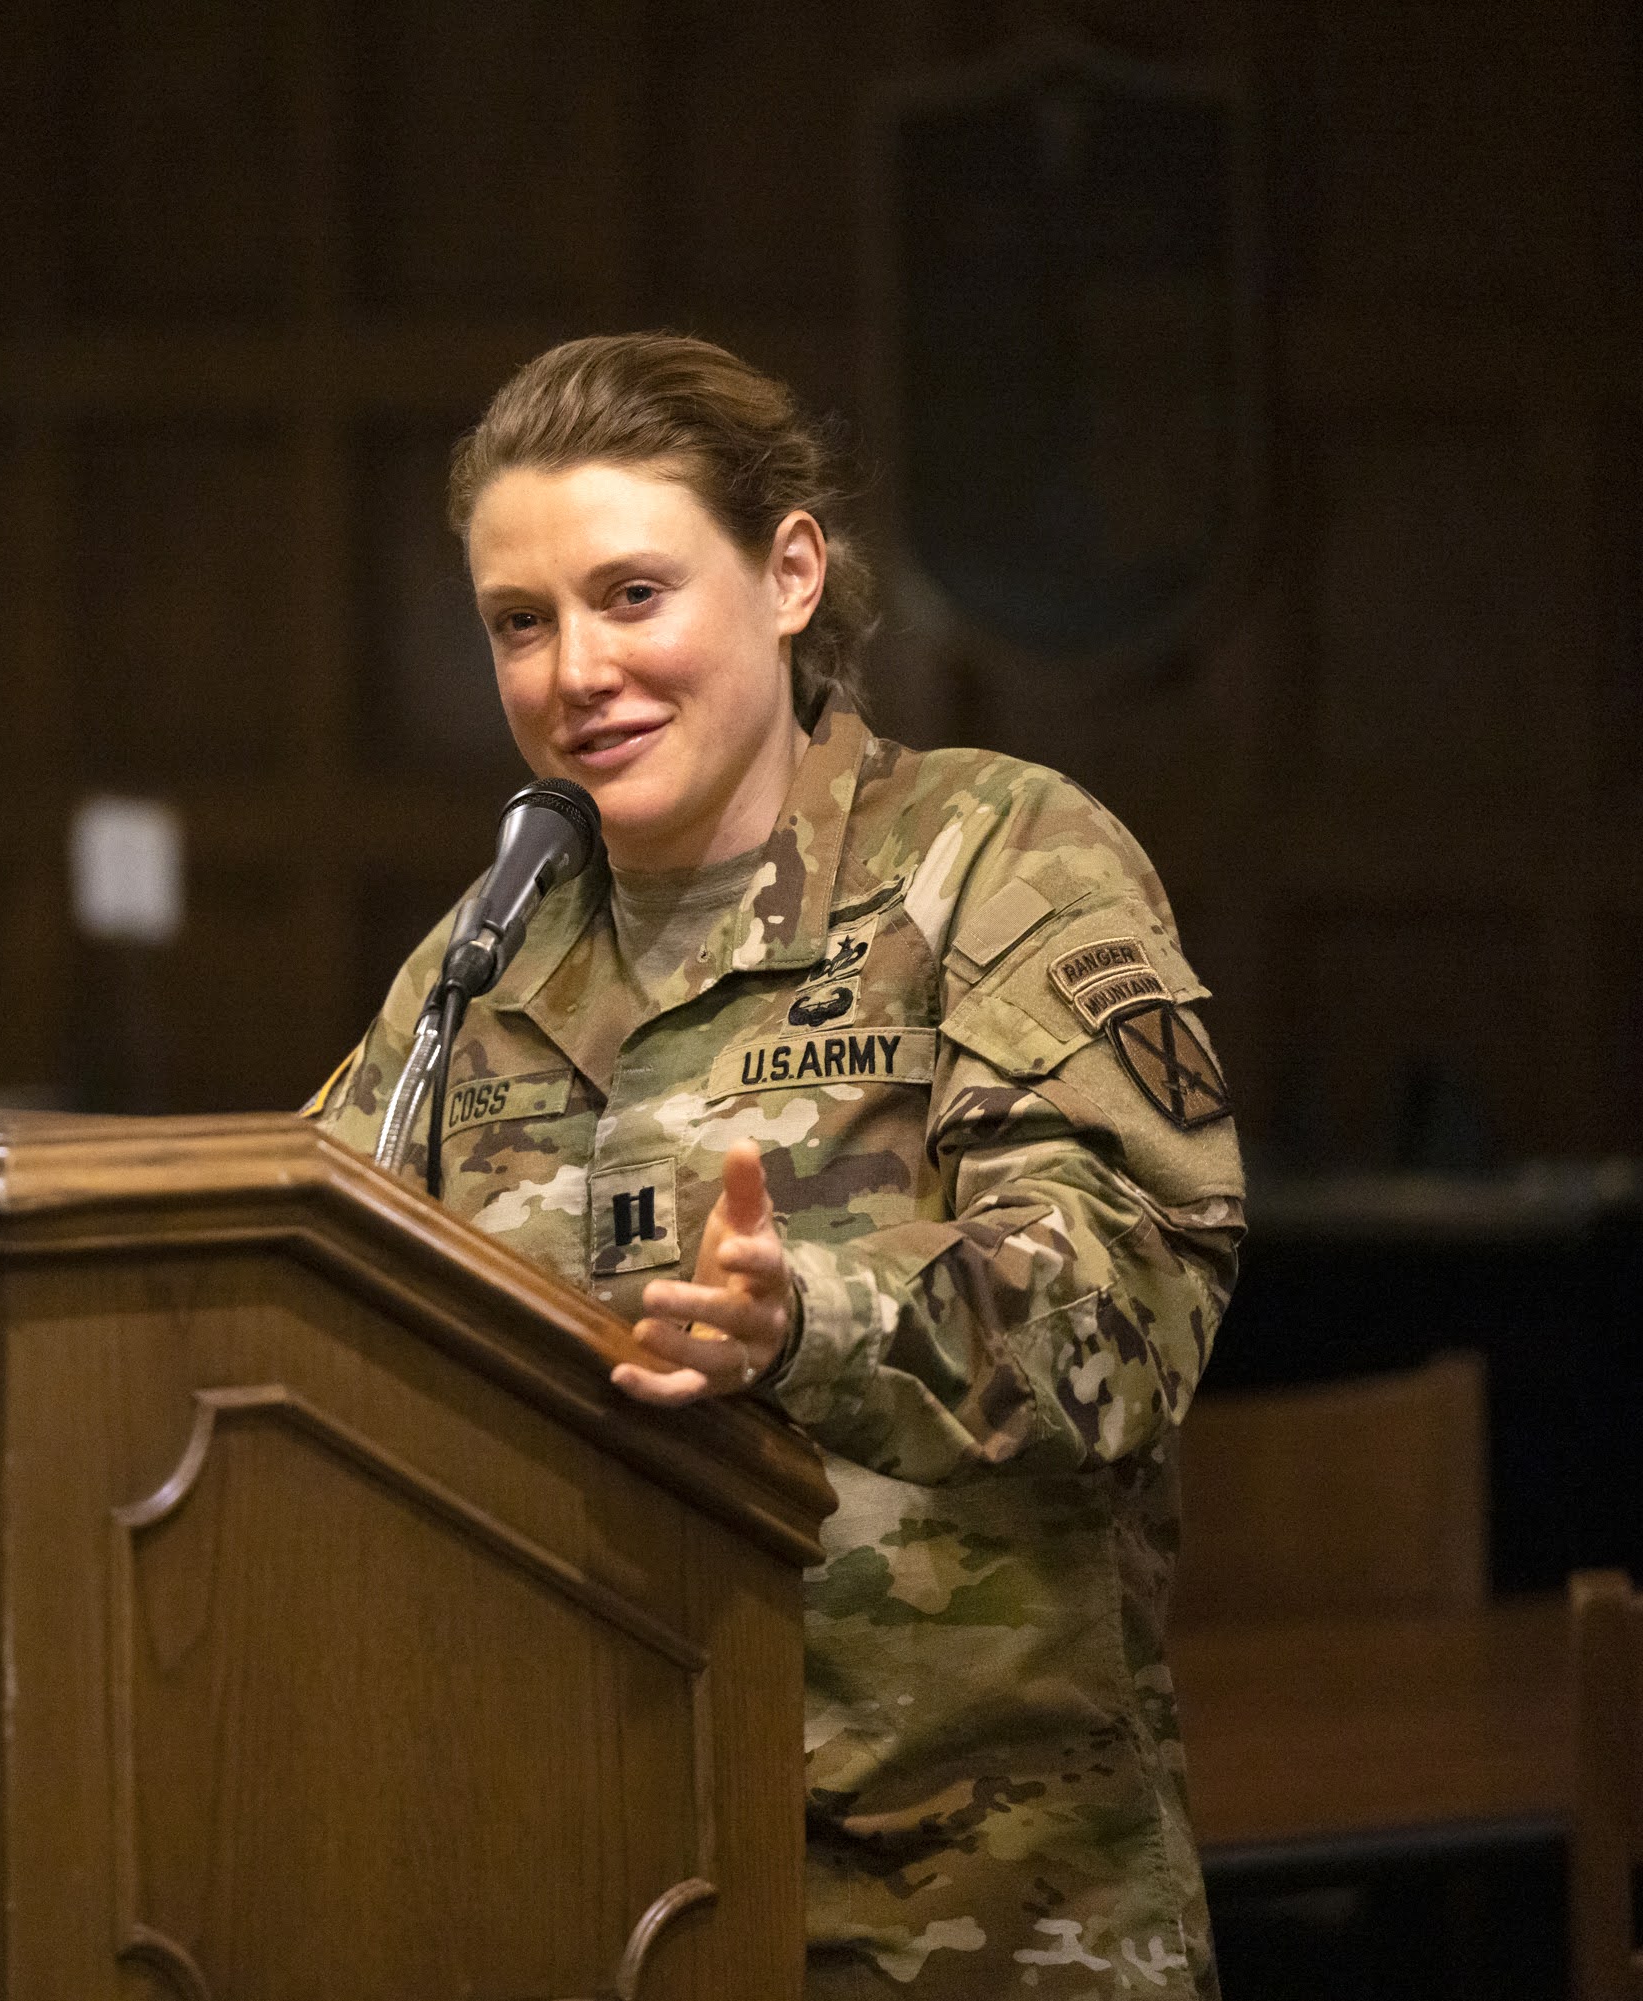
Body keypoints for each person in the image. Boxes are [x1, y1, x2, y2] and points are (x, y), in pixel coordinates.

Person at [311, 333, 1241, 2000]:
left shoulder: (998, 861)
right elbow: (292, 1273)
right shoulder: (487, 949)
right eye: (521, 623)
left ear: (789, 573)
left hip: (964, 1924)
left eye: (633, 594)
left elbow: (1134, 1307)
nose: (573, 669)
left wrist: (810, 1323)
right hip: (568, 1898)